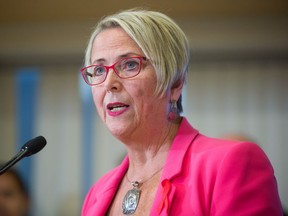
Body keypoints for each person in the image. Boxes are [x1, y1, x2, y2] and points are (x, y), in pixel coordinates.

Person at [80, 8, 283, 215]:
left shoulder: (230, 164)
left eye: (130, 65)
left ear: (175, 83)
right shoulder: (96, 194)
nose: (109, 84)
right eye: (98, 70)